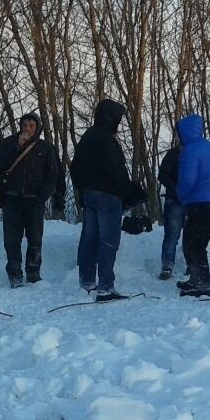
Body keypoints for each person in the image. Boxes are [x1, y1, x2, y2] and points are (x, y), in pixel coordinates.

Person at [70, 98, 145, 299]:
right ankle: (106, 286)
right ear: (111, 118)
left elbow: (74, 167)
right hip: (108, 197)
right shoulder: (107, 140)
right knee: (108, 241)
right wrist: (131, 191)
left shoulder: (88, 137)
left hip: (89, 195)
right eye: (118, 119)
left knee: (89, 238)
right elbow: (116, 171)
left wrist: (81, 191)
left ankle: (86, 281)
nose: (119, 123)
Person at [0, 112, 59, 287]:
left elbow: (52, 175)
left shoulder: (45, 148)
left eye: (31, 126)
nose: (27, 129)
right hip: (12, 199)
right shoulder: (8, 143)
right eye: (25, 125)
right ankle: (14, 274)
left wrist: (42, 198)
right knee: (12, 240)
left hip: (34, 201)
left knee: (35, 239)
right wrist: (17, 147)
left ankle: (33, 272)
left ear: (37, 128)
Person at [173, 114, 210, 297]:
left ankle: (202, 284)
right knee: (197, 242)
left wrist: (180, 194)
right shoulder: (208, 147)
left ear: (184, 132)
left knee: (192, 244)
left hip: (198, 202)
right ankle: (196, 279)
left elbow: (188, 179)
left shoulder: (190, 150)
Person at [156, 139, 184, 280]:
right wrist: (175, 189)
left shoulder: (194, 154)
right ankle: (167, 266)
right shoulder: (172, 155)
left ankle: (193, 265)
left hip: (192, 201)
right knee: (172, 235)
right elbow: (162, 175)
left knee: (192, 236)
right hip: (174, 200)